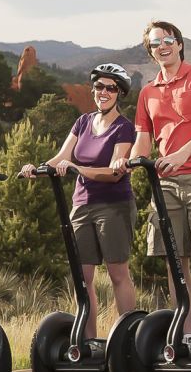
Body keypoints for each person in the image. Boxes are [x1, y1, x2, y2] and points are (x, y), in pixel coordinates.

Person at [112, 20, 191, 356]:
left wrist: (182, 152)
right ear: (150, 52)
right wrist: (131, 161)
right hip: (165, 181)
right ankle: (189, 334)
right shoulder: (148, 92)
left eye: (167, 40)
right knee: (173, 262)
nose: (162, 46)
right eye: (155, 43)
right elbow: (143, 140)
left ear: (179, 44)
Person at [20, 63, 138, 345]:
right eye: (99, 86)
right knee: (82, 277)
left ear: (119, 93)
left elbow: (113, 172)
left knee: (117, 273)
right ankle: (88, 342)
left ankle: (128, 339)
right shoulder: (83, 122)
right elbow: (62, 156)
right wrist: (35, 169)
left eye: (110, 88)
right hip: (81, 206)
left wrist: (76, 168)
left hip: (114, 205)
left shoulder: (124, 128)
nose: (104, 92)